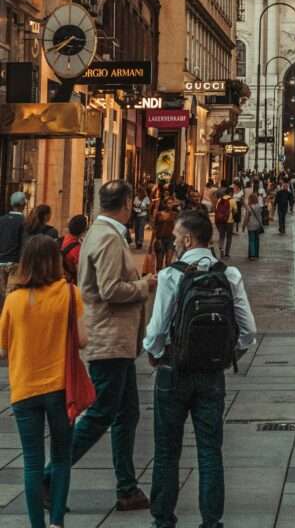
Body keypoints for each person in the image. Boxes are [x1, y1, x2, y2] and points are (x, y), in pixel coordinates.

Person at [44, 179, 156, 512]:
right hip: (109, 340)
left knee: (127, 413)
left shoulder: (98, 232)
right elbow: (110, 290)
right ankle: (48, 478)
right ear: (126, 203)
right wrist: (144, 284)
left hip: (118, 341)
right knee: (100, 414)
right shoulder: (107, 238)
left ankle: (127, 487)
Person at [143, 209, 256, 528]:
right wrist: (228, 354)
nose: (174, 241)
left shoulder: (170, 275)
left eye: (177, 236)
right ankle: (211, 521)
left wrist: (153, 353)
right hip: (211, 376)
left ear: (189, 238)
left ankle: (163, 519)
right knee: (210, 450)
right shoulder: (228, 274)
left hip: (173, 372)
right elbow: (249, 330)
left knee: (167, 450)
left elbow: (156, 330)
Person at [0, 236, 88, 528]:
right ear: (55, 261)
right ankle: (57, 522)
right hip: (61, 389)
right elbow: (83, 340)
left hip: (24, 388)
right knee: (61, 457)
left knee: (32, 460)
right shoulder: (69, 293)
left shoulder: (13, 300)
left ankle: (36, 524)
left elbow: (2, 347)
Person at [0, 190, 27, 309]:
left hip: (1, 261)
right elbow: (24, 243)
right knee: (11, 295)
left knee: (2, 294)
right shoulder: (24, 222)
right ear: (23, 205)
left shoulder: (2, 220)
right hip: (15, 263)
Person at [60, 215, 88, 284]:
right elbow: (81, 274)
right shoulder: (77, 250)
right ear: (83, 230)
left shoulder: (64, 239)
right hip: (72, 283)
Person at [151, 197, 176, 271]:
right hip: (160, 239)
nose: (170, 205)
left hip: (170, 240)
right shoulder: (159, 214)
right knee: (159, 263)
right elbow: (154, 229)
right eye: (168, 203)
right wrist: (151, 244)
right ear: (165, 204)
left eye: (171, 203)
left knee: (169, 262)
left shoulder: (174, 214)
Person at [214, 187, 237, 259]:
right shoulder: (232, 200)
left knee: (221, 236)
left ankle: (221, 250)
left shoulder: (220, 200)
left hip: (221, 220)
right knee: (229, 237)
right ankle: (227, 254)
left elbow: (216, 209)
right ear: (230, 193)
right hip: (229, 221)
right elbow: (235, 211)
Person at [243, 191, 264, 260]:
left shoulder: (249, 207)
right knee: (257, 239)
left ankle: (252, 255)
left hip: (250, 225)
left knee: (251, 240)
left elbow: (246, 217)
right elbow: (260, 216)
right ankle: (256, 254)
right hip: (257, 225)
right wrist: (261, 224)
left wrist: (244, 225)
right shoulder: (258, 207)